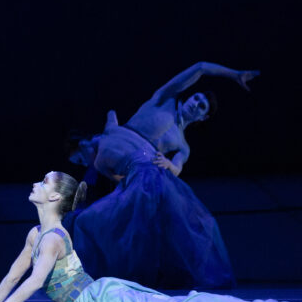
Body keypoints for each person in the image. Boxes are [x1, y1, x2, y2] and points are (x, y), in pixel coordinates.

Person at [0, 171, 301, 302]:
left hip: (101, 299)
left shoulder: (53, 238)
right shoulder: (35, 234)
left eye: (43, 182)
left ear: (54, 197)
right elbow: (14, 275)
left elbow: (33, 282)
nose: (35, 183)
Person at [70, 62, 258, 289]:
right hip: (126, 169)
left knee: (126, 227)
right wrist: (234, 74)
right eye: (196, 98)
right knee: (95, 221)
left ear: (202, 118)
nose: (195, 104)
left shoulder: (182, 145)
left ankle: (135, 280)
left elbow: (177, 168)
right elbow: (199, 68)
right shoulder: (163, 101)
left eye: (201, 106)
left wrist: (169, 164)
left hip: (145, 177)